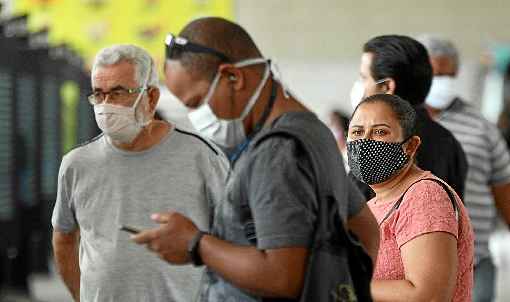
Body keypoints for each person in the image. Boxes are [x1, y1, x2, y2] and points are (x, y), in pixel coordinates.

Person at [132, 17, 380, 301]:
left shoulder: (276, 153)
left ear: (233, 78)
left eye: (196, 102)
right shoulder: (312, 130)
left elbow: (282, 277)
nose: (196, 116)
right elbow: (366, 230)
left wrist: (196, 243)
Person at [51, 44, 228, 302]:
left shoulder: (203, 157)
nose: (106, 105)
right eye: (98, 94)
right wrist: (82, 296)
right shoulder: (77, 164)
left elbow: (234, 241)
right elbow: (64, 238)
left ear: (152, 97)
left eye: (118, 92)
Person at [347, 93, 474, 302]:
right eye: (357, 132)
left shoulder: (424, 196)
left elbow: (429, 296)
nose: (364, 142)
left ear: (410, 146)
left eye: (380, 132)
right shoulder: (371, 206)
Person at [419, 35, 510, 302]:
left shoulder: (481, 128)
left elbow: (504, 190)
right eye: (435, 74)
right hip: (413, 262)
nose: (441, 82)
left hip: (474, 260)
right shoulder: (398, 124)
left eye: (448, 76)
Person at [349, 35, 468, 201]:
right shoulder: (449, 142)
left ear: (386, 87)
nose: (360, 86)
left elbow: (353, 216)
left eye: (364, 78)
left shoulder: (376, 144)